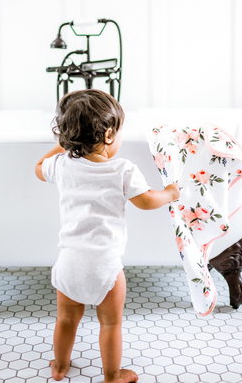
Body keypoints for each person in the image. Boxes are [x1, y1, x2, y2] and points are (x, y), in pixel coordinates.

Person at [35, 89, 180, 383]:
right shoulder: (123, 169)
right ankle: (112, 375)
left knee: (65, 320)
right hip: (106, 267)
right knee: (111, 324)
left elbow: (38, 169)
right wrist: (170, 193)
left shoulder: (62, 166)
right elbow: (147, 201)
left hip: (69, 263)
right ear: (110, 134)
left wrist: (62, 147)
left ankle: (60, 367)